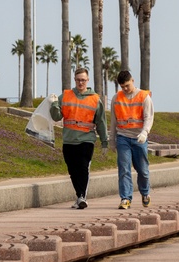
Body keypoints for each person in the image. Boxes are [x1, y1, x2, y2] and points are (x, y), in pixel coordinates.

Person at [49, 67, 108, 210]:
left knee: (82, 168)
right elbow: (56, 116)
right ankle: (79, 196)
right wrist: (54, 104)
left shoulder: (95, 99)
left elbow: (101, 121)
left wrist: (104, 142)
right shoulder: (65, 96)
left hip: (86, 140)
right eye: (78, 80)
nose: (80, 83)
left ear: (88, 80)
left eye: (83, 80)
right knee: (72, 170)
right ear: (74, 80)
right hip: (69, 140)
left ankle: (82, 196)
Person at [111, 70, 154, 209]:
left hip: (139, 138)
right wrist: (112, 140)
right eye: (122, 86)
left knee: (143, 170)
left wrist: (144, 133)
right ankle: (125, 198)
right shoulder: (116, 98)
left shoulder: (144, 97)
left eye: (127, 86)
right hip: (123, 137)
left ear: (133, 81)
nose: (125, 89)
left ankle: (145, 192)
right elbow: (113, 120)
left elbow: (149, 117)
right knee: (124, 169)